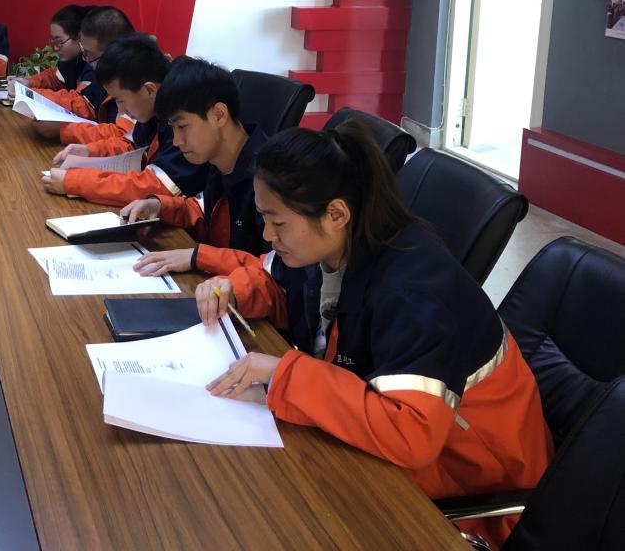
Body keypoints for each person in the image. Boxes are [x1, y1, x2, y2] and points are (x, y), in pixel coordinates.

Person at [187, 123, 552, 547]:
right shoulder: (332, 244)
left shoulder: (413, 291)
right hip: (392, 454)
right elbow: (289, 293)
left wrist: (284, 373)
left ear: (336, 214)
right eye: (264, 218)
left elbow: (413, 434)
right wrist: (234, 289)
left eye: (277, 221)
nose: (267, 234)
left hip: (471, 487)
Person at [121, 57, 270, 267]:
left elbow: (278, 269)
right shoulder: (218, 159)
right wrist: (160, 207)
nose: (177, 141)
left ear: (219, 115)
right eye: (172, 128)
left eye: (182, 126)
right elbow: (206, 210)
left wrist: (198, 257)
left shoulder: (272, 177)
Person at [42, 35, 211, 205]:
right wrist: (88, 151)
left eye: (120, 100)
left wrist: (76, 182)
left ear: (149, 90)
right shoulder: (154, 103)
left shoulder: (184, 111)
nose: (120, 110)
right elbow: (133, 146)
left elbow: (157, 187)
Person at [16, 5, 136, 142]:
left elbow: (123, 136)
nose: (87, 61)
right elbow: (86, 103)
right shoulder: (106, 73)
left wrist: (64, 130)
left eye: (89, 55)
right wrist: (30, 92)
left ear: (112, 52)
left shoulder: (137, 81)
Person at [23, 4, 88, 91]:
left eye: (59, 42)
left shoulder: (94, 63)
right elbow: (55, 78)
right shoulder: (70, 61)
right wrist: (28, 82)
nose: (56, 48)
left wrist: (31, 92)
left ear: (79, 37)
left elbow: (79, 98)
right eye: (53, 42)